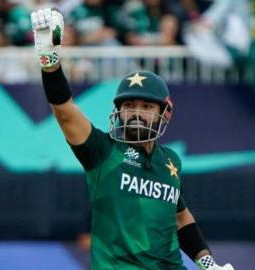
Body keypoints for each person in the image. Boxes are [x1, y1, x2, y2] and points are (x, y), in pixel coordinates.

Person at [30, 8, 234, 270]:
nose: (137, 113)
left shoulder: (170, 161)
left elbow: (181, 219)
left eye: (147, 107)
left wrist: (208, 264)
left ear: (164, 112)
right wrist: (50, 64)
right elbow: (65, 112)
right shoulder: (102, 151)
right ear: (118, 111)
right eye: (130, 105)